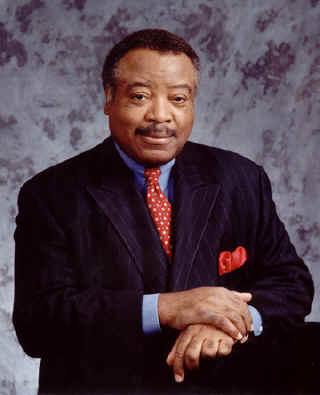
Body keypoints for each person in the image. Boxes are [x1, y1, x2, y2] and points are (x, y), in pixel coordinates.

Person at [13, 29, 315, 395]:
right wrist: (166, 308)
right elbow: (39, 322)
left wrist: (230, 323)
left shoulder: (241, 178)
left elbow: (292, 283)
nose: (160, 115)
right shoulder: (52, 195)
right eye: (139, 96)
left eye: (178, 98)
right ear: (109, 98)